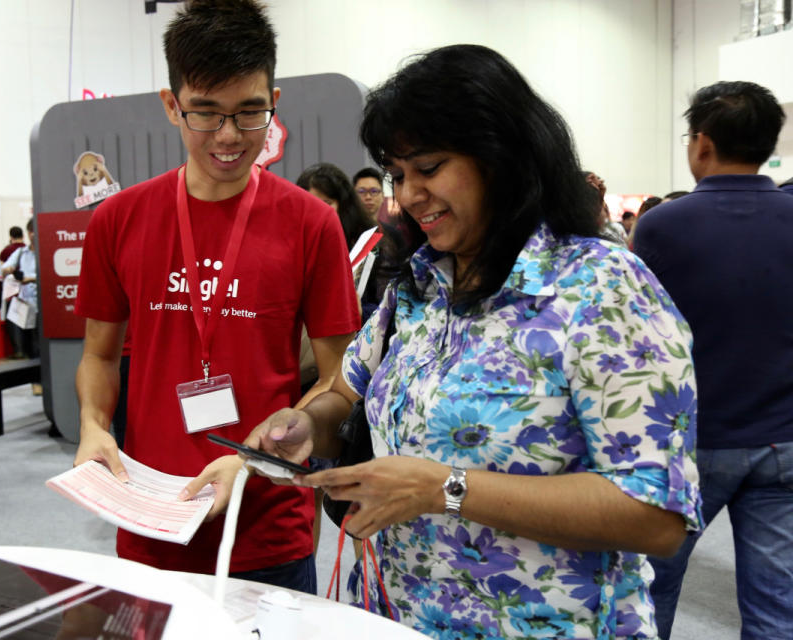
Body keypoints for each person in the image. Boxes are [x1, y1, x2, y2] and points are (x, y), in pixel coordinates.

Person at [244, 45, 701, 638]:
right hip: (393, 617)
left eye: (429, 168)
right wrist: (308, 425)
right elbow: (347, 395)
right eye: (399, 175)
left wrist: (443, 489)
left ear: (501, 156)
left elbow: (655, 515)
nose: (409, 196)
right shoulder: (418, 285)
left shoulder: (602, 290)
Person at [73, 0, 360, 594]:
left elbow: (339, 379)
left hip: (266, 524)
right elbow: (100, 355)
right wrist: (93, 426)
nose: (228, 137)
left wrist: (256, 460)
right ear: (170, 105)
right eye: (205, 113)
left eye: (249, 113)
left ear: (274, 103)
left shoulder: (310, 223)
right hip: (150, 516)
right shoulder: (119, 220)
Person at [633, 80, 793, 640]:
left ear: (701, 143)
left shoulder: (661, 226)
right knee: (779, 608)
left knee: (652, 591)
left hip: (690, 444)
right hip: (783, 442)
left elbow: (637, 340)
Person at [296, 162, 373, 251]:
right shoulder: (296, 240)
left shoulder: (362, 240)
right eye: (313, 205)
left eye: (327, 204)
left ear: (343, 204)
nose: (320, 212)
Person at [1, 218, 41, 389]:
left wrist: (30, 279)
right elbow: (4, 269)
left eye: (35, 231)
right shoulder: (20, 253)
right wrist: (8, 270)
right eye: (31, 231)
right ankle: (35, 382)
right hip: (25, 303)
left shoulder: (45, 250)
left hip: (43, 304)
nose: (33, 234)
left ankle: (40, 380)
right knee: (29, 344)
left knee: (38, 343)